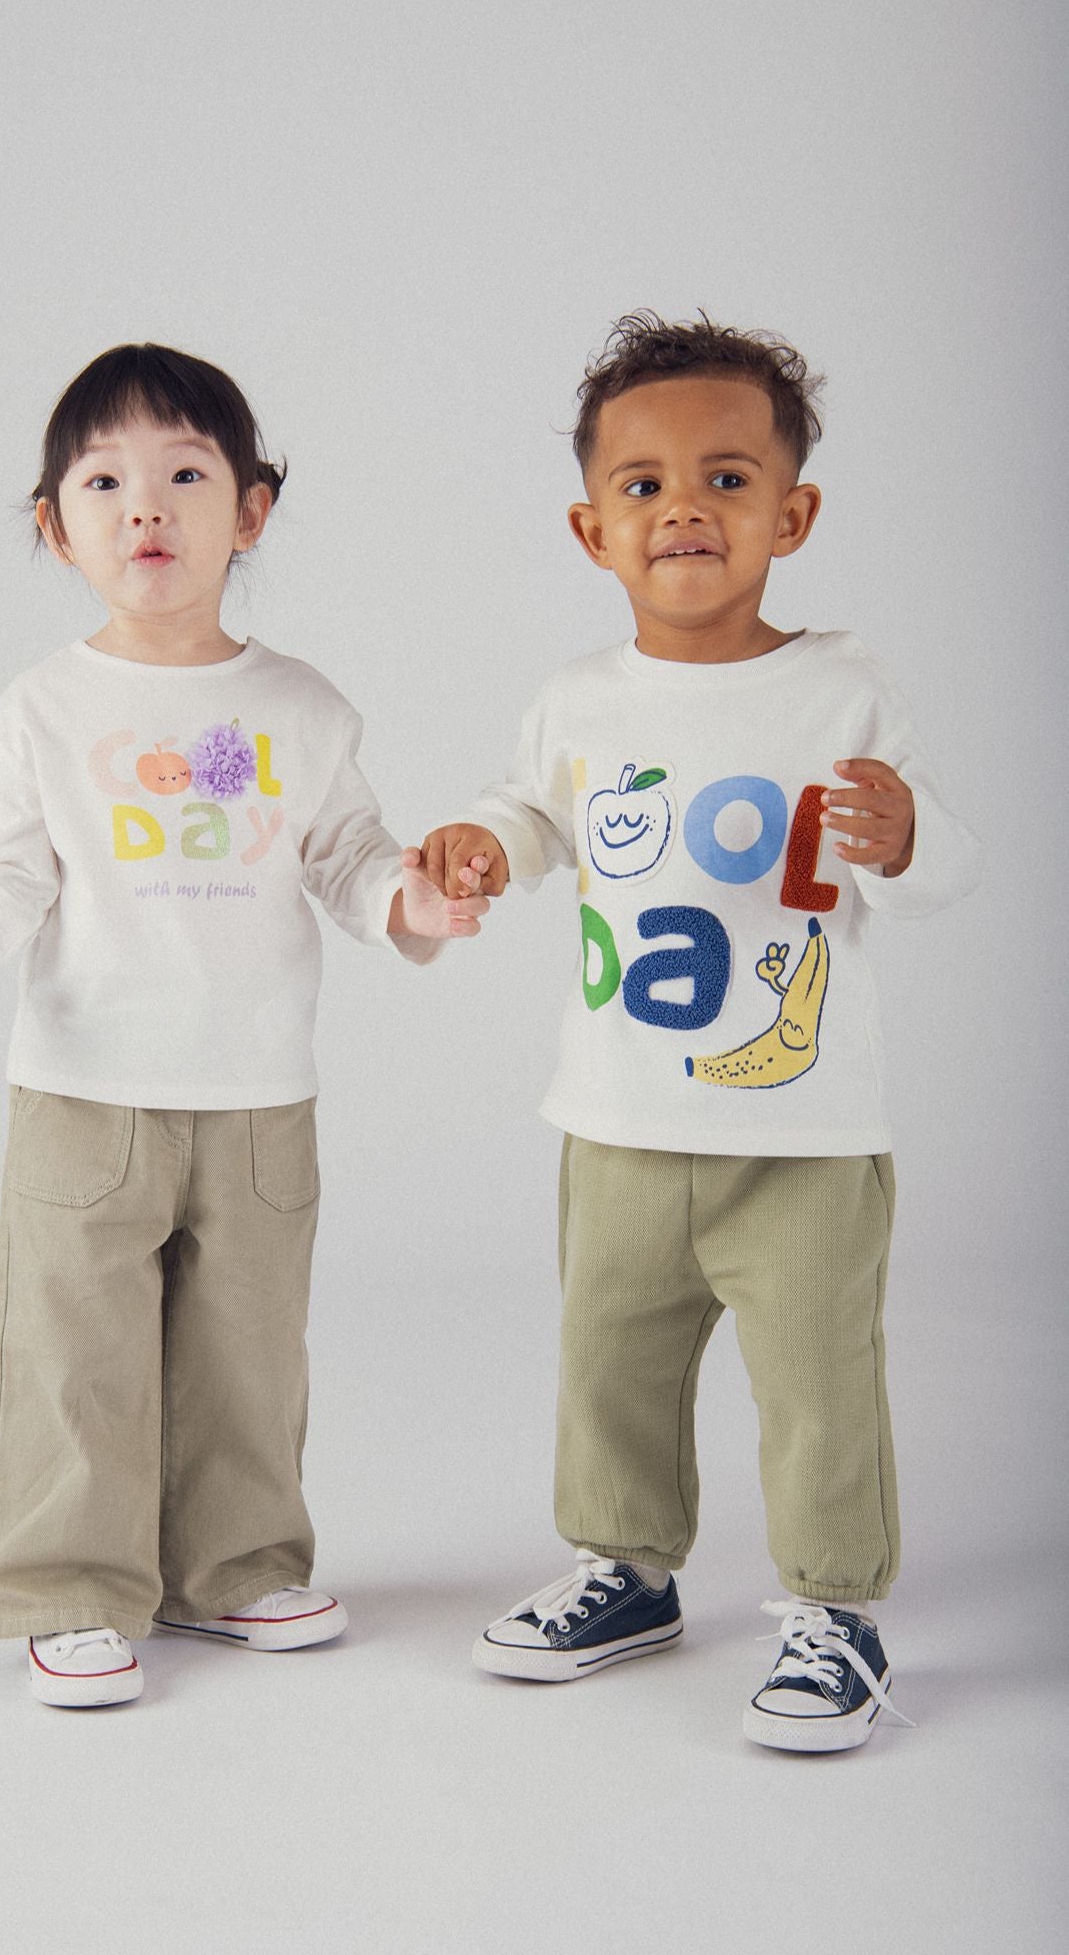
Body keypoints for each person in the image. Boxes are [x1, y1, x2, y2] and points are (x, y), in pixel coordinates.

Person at [0, 343, 490, 1709]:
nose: (147, 508)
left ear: (255, 509)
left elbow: (353, 862)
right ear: (57, 528)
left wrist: (416, 902)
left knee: (248, 1351)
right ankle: (68, 1586)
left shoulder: (303, 708)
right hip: (84, 1095)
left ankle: (234, 1569)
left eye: (186, 473)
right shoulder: (41, 713)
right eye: (105, 482)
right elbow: (1, 880)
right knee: (74, 1354)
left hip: (257, 1098)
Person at [417, 312, 979, 1752]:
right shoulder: (579, 701)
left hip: (798, 1135)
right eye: (646, 486)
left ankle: (835, 1610)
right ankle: (628, 1567)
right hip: (615, 1118)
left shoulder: (840, 686)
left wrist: (910, 840)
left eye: (728, 481)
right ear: (592, 527)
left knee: (816, 1382)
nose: (685, 510)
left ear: (791, 514)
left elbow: (945, 870)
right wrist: (483, 845)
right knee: (611, 1362)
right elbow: (530, 813)